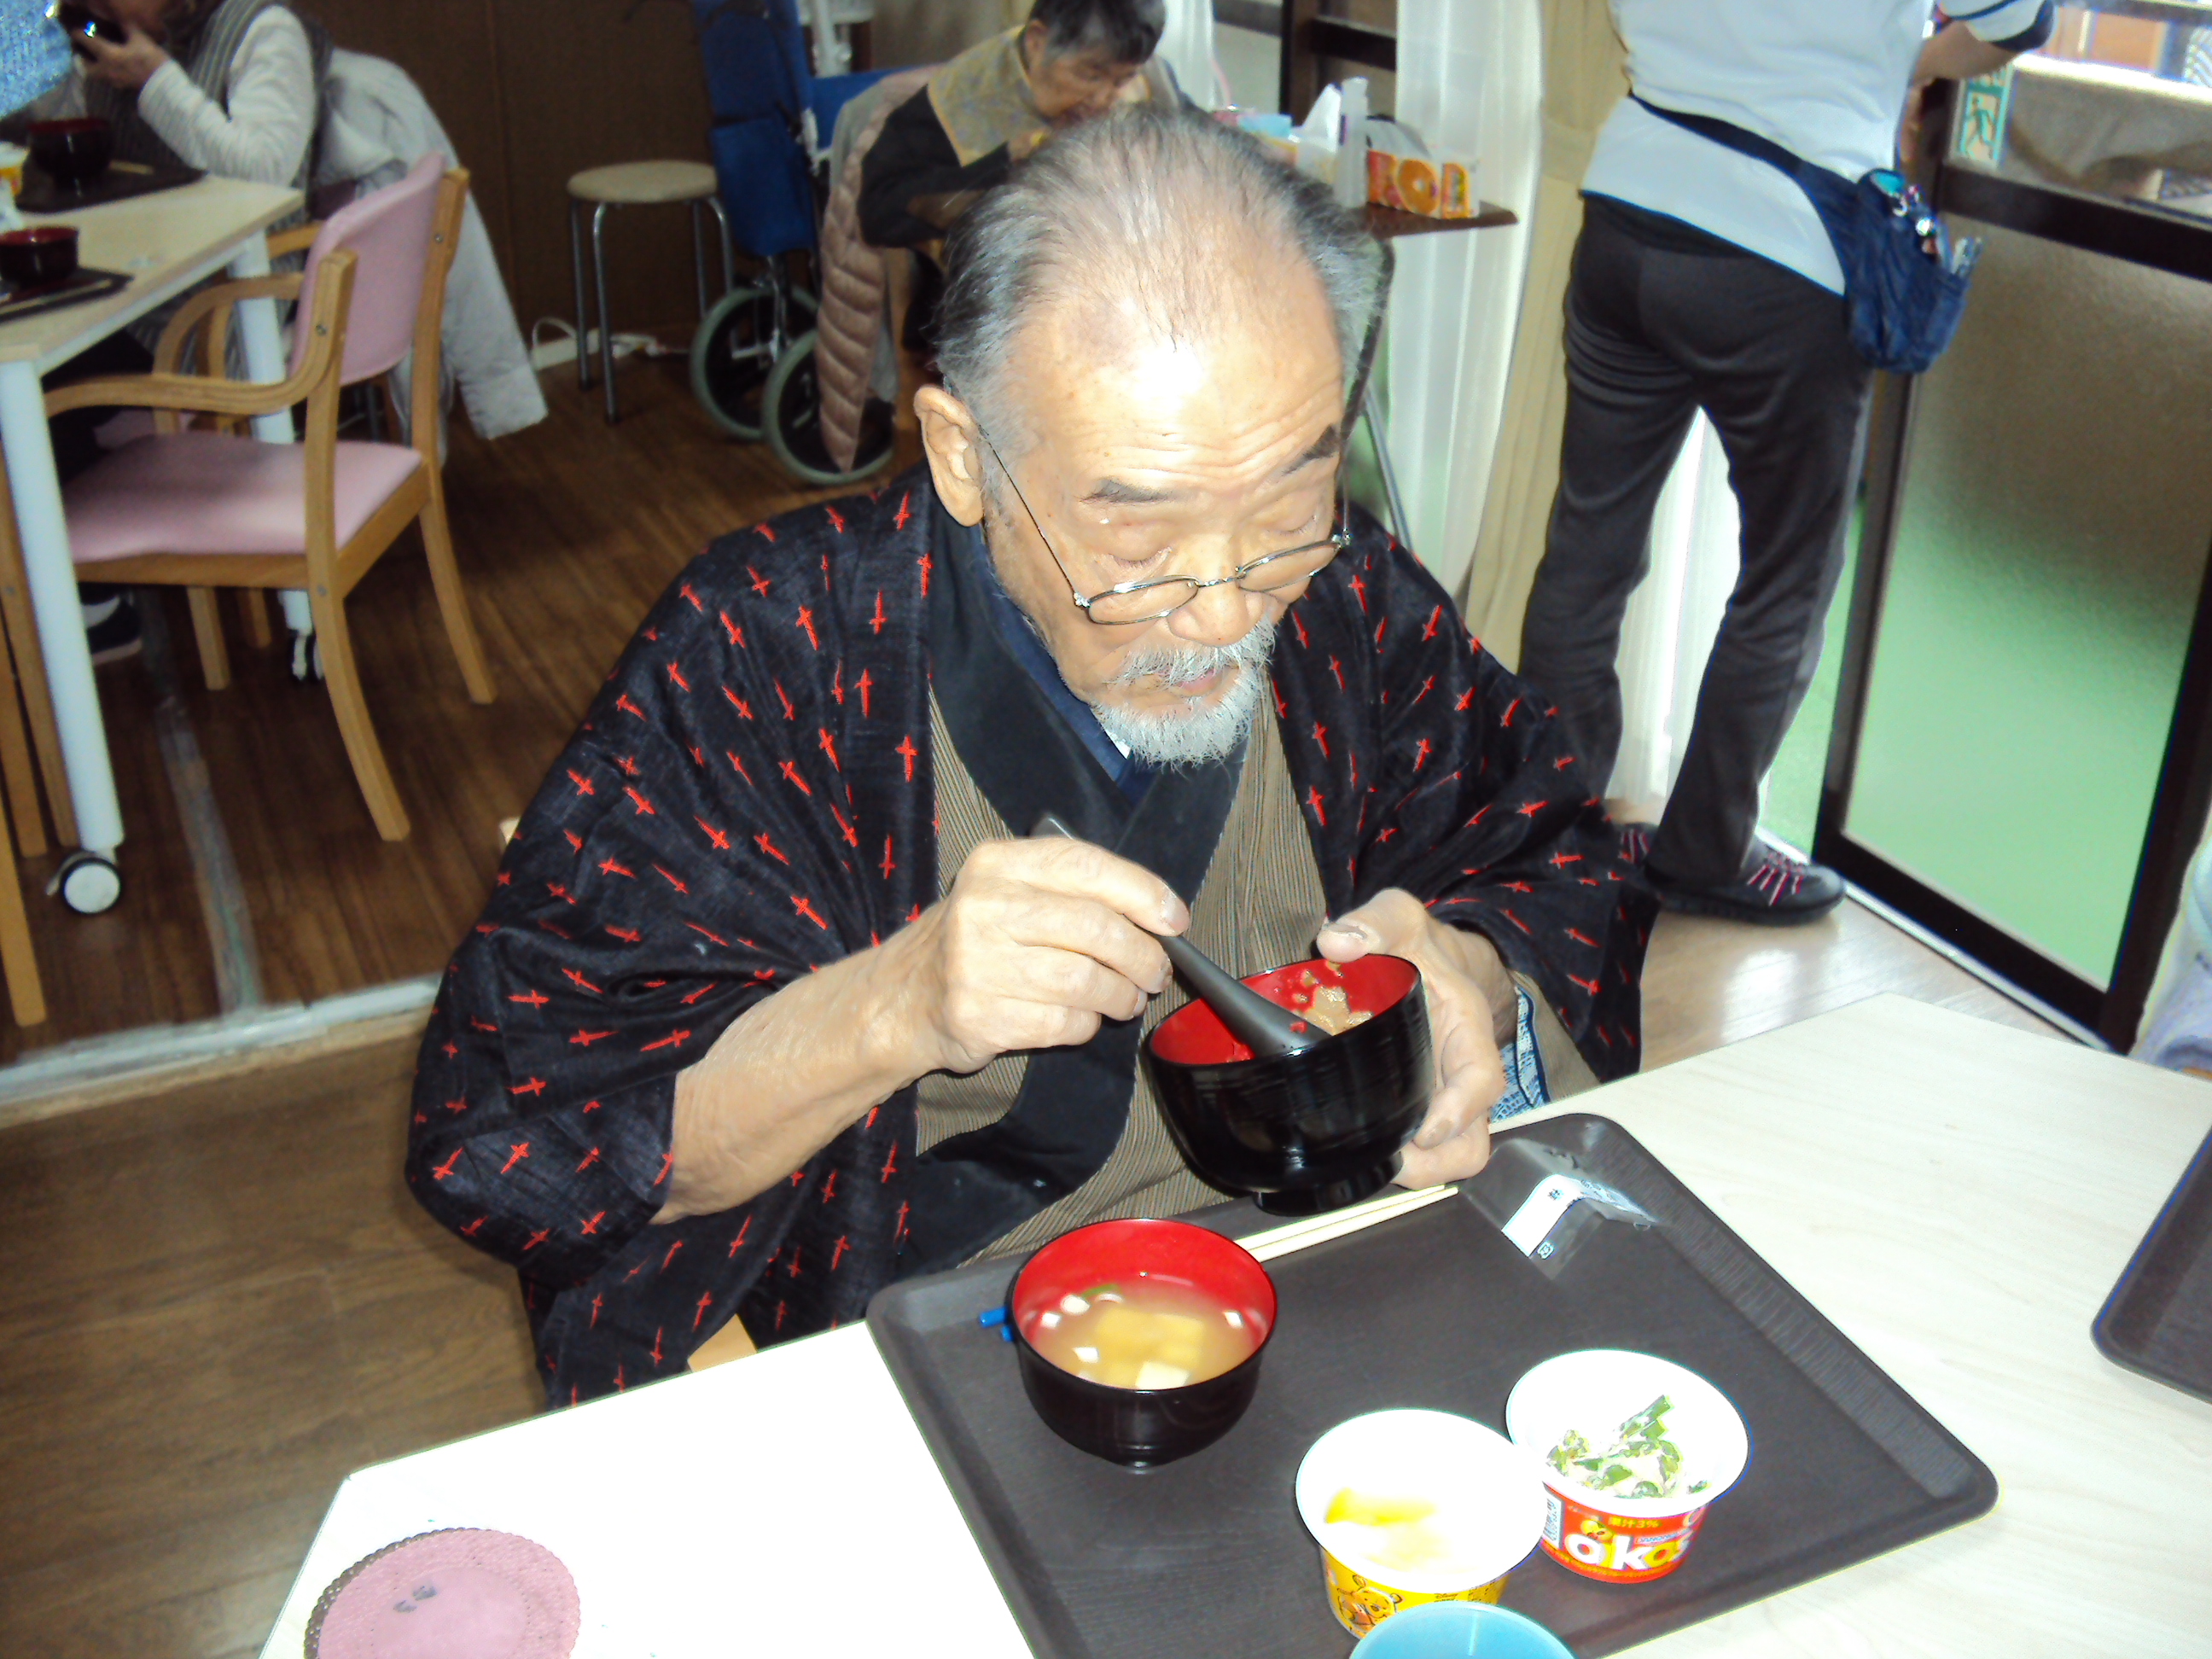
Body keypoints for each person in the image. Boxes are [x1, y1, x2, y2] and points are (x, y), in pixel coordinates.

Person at [410, 109, 1657, 1406]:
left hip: (1338, 1272)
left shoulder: (1349, 605)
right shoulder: (767, 653)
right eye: (1139, 546)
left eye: (1291, 507)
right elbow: (523, 1137)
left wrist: (1474, 982)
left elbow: (1559, 855)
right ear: (965, 457)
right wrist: (894, 1004)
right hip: (943, 1343)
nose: (1228, 610)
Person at [1515, 1, 2055, 924]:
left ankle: (1544, 840)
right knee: (1787, 580)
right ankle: (1703, 856)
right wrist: (1914, 55)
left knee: (1589, 548)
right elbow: (2020, 20)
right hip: (1783, 253)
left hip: (1627, 210)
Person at [13, 0, 328, 661]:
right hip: (131, 280)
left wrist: (157, 79)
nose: (100, 8)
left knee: (32, 391)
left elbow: (264, 168)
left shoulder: (264, 32)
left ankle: (97, 604)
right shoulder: (107, 40)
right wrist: (56, 60)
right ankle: (71, 580)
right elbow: (51, 139)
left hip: (210, 312)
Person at [859, 0, 1178, 344]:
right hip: (991, 318)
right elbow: (880, 212)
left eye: (1123, 80)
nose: (1103, 99)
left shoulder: (1146, 77)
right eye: (1090, 75)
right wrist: (1005, 160)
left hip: (1123, 300)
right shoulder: (961, 100)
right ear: (1037, 41)